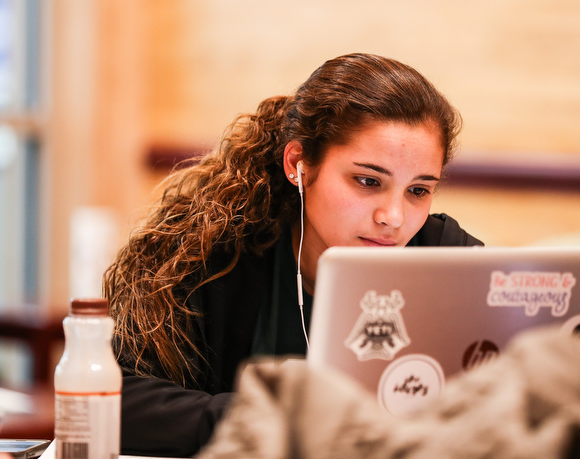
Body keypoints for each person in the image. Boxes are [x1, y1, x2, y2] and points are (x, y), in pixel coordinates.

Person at [103, 53, 484, 457]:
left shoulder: (447, 259)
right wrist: (279, 419)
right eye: (368, 181)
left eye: (419, 190)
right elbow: (113, 397)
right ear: (298, 164)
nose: (393, 217)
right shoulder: (214, 253)